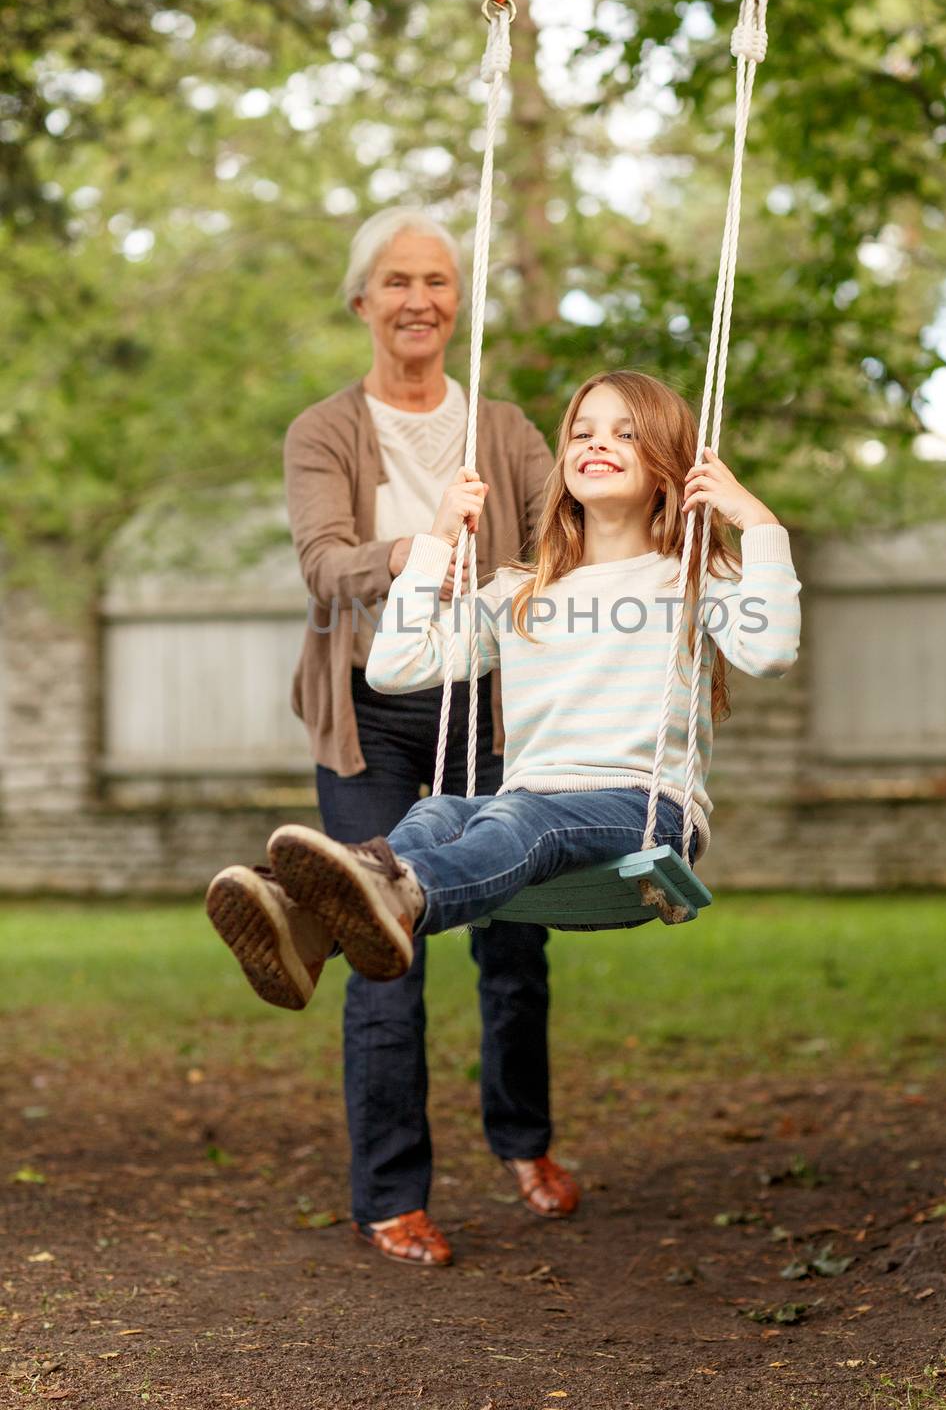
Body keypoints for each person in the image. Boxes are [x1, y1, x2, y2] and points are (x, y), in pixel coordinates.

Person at [219, 370, 802, 1216]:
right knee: (440, 811)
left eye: (627, 434)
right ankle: (308, 922)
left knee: (509, 813)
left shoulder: (690, 577)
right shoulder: (519, 592)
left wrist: (759, 522)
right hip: (532, 808)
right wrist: (430, 545)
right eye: (583, 430)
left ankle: (396, 896)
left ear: (675, 467)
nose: (597, 444)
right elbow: (394, 665)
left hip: (641, 814)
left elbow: (773, 649)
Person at [206, 208, 576, 1270]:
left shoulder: (500, 429)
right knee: (381, 949)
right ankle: (390, 1197)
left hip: (491, 707)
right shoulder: (325, 429)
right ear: (361, 300)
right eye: (397, 281)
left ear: (456, 302)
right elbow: (326, 565)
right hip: (371, 714)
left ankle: (523, 1142)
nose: (420, 299)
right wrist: (425, 544)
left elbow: (567, 529)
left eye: (438, 281)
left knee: (513, 941)